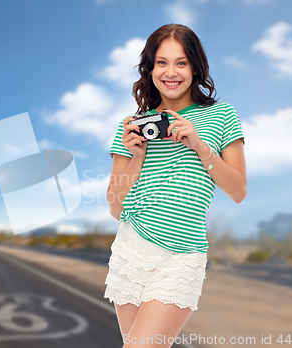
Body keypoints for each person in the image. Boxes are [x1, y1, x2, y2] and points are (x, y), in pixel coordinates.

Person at [104, 24, 247, 348]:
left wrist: (198, 144)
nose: (171, 72)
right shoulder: (131, 127)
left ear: (195, 67)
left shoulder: (221, 115)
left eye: (181, 63)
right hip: (131, 248)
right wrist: (137, 155)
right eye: (162, 62)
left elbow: (238, 191)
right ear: (150, 69)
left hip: (181, 255)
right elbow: (115, 207)